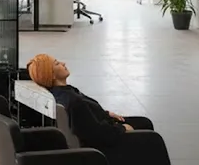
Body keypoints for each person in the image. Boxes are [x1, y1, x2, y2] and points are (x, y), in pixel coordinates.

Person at [27, 53, 171, 165]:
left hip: (101, 127)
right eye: (57, 63)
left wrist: (105, 114)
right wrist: (122, 128)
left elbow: (86, 120)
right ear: (51, 75)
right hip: (103, 147)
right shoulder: (73, 101)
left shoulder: (60, 94)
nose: (63, 63)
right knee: (153, 139)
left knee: (144, 122)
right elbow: (97, 135)